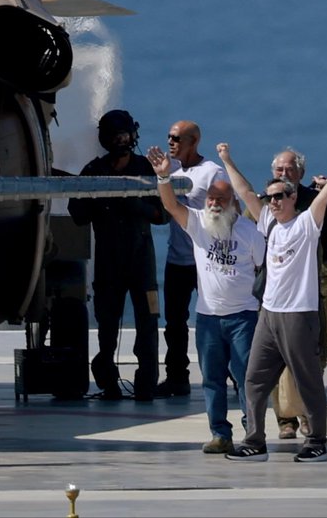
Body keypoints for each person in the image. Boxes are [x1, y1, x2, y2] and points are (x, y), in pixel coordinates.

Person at [222, 147, 327, 463]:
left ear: (292, 198)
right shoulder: (268, 223)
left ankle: (317, 442)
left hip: (299, 316)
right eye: (271, 197)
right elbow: (245, 191)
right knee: (253, 380)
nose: (273, 202)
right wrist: (227, 161)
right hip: (269, 315)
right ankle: (255, 441)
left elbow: (325, 197)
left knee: (308, 382)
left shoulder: (306, 224)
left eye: (279, 197)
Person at [150, 149, 264, 455]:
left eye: (220, 199)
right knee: (212, 379)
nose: (213, 203)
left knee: (245, 378)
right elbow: (171, 205)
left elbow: (261, 267)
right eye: (211, 197)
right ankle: (220, 433)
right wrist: (163, 176)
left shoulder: (249, 232)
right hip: (208, 318)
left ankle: (253, 431)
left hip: (242, 317)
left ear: (233, 204)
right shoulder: (198, 222)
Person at [68, 110, 165, 401]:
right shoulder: (93, 171)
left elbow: (163, 215)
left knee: (148, 323)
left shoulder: (146, 169)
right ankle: (108, 382)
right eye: (117, 136)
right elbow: (77, 214)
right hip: (109, 263)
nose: (123, 141)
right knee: (106, 327)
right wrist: (98, 198)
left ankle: (146, 384)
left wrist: (136, 205)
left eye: (126, 135)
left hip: (142, 263)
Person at [266, 148, 327, 439]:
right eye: (279, 170)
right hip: (277, 294)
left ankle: (304, 412)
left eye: (290, 170)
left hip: (318, 285)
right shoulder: (268, 202)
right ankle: (284, 418)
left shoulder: (315, 200)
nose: (284, 175)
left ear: (300, 173)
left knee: (315, 353)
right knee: (276, 357)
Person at [155, 120, 223, 397]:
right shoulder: (168, 170)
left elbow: (229, 208)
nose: (171, 143)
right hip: (177, 259)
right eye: (169, 137)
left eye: (177, 138)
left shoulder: (212, 172)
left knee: (218, 317)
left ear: (193, 142)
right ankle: (176, 377)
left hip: (206, 258)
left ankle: (228, 374)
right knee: (174, 323)